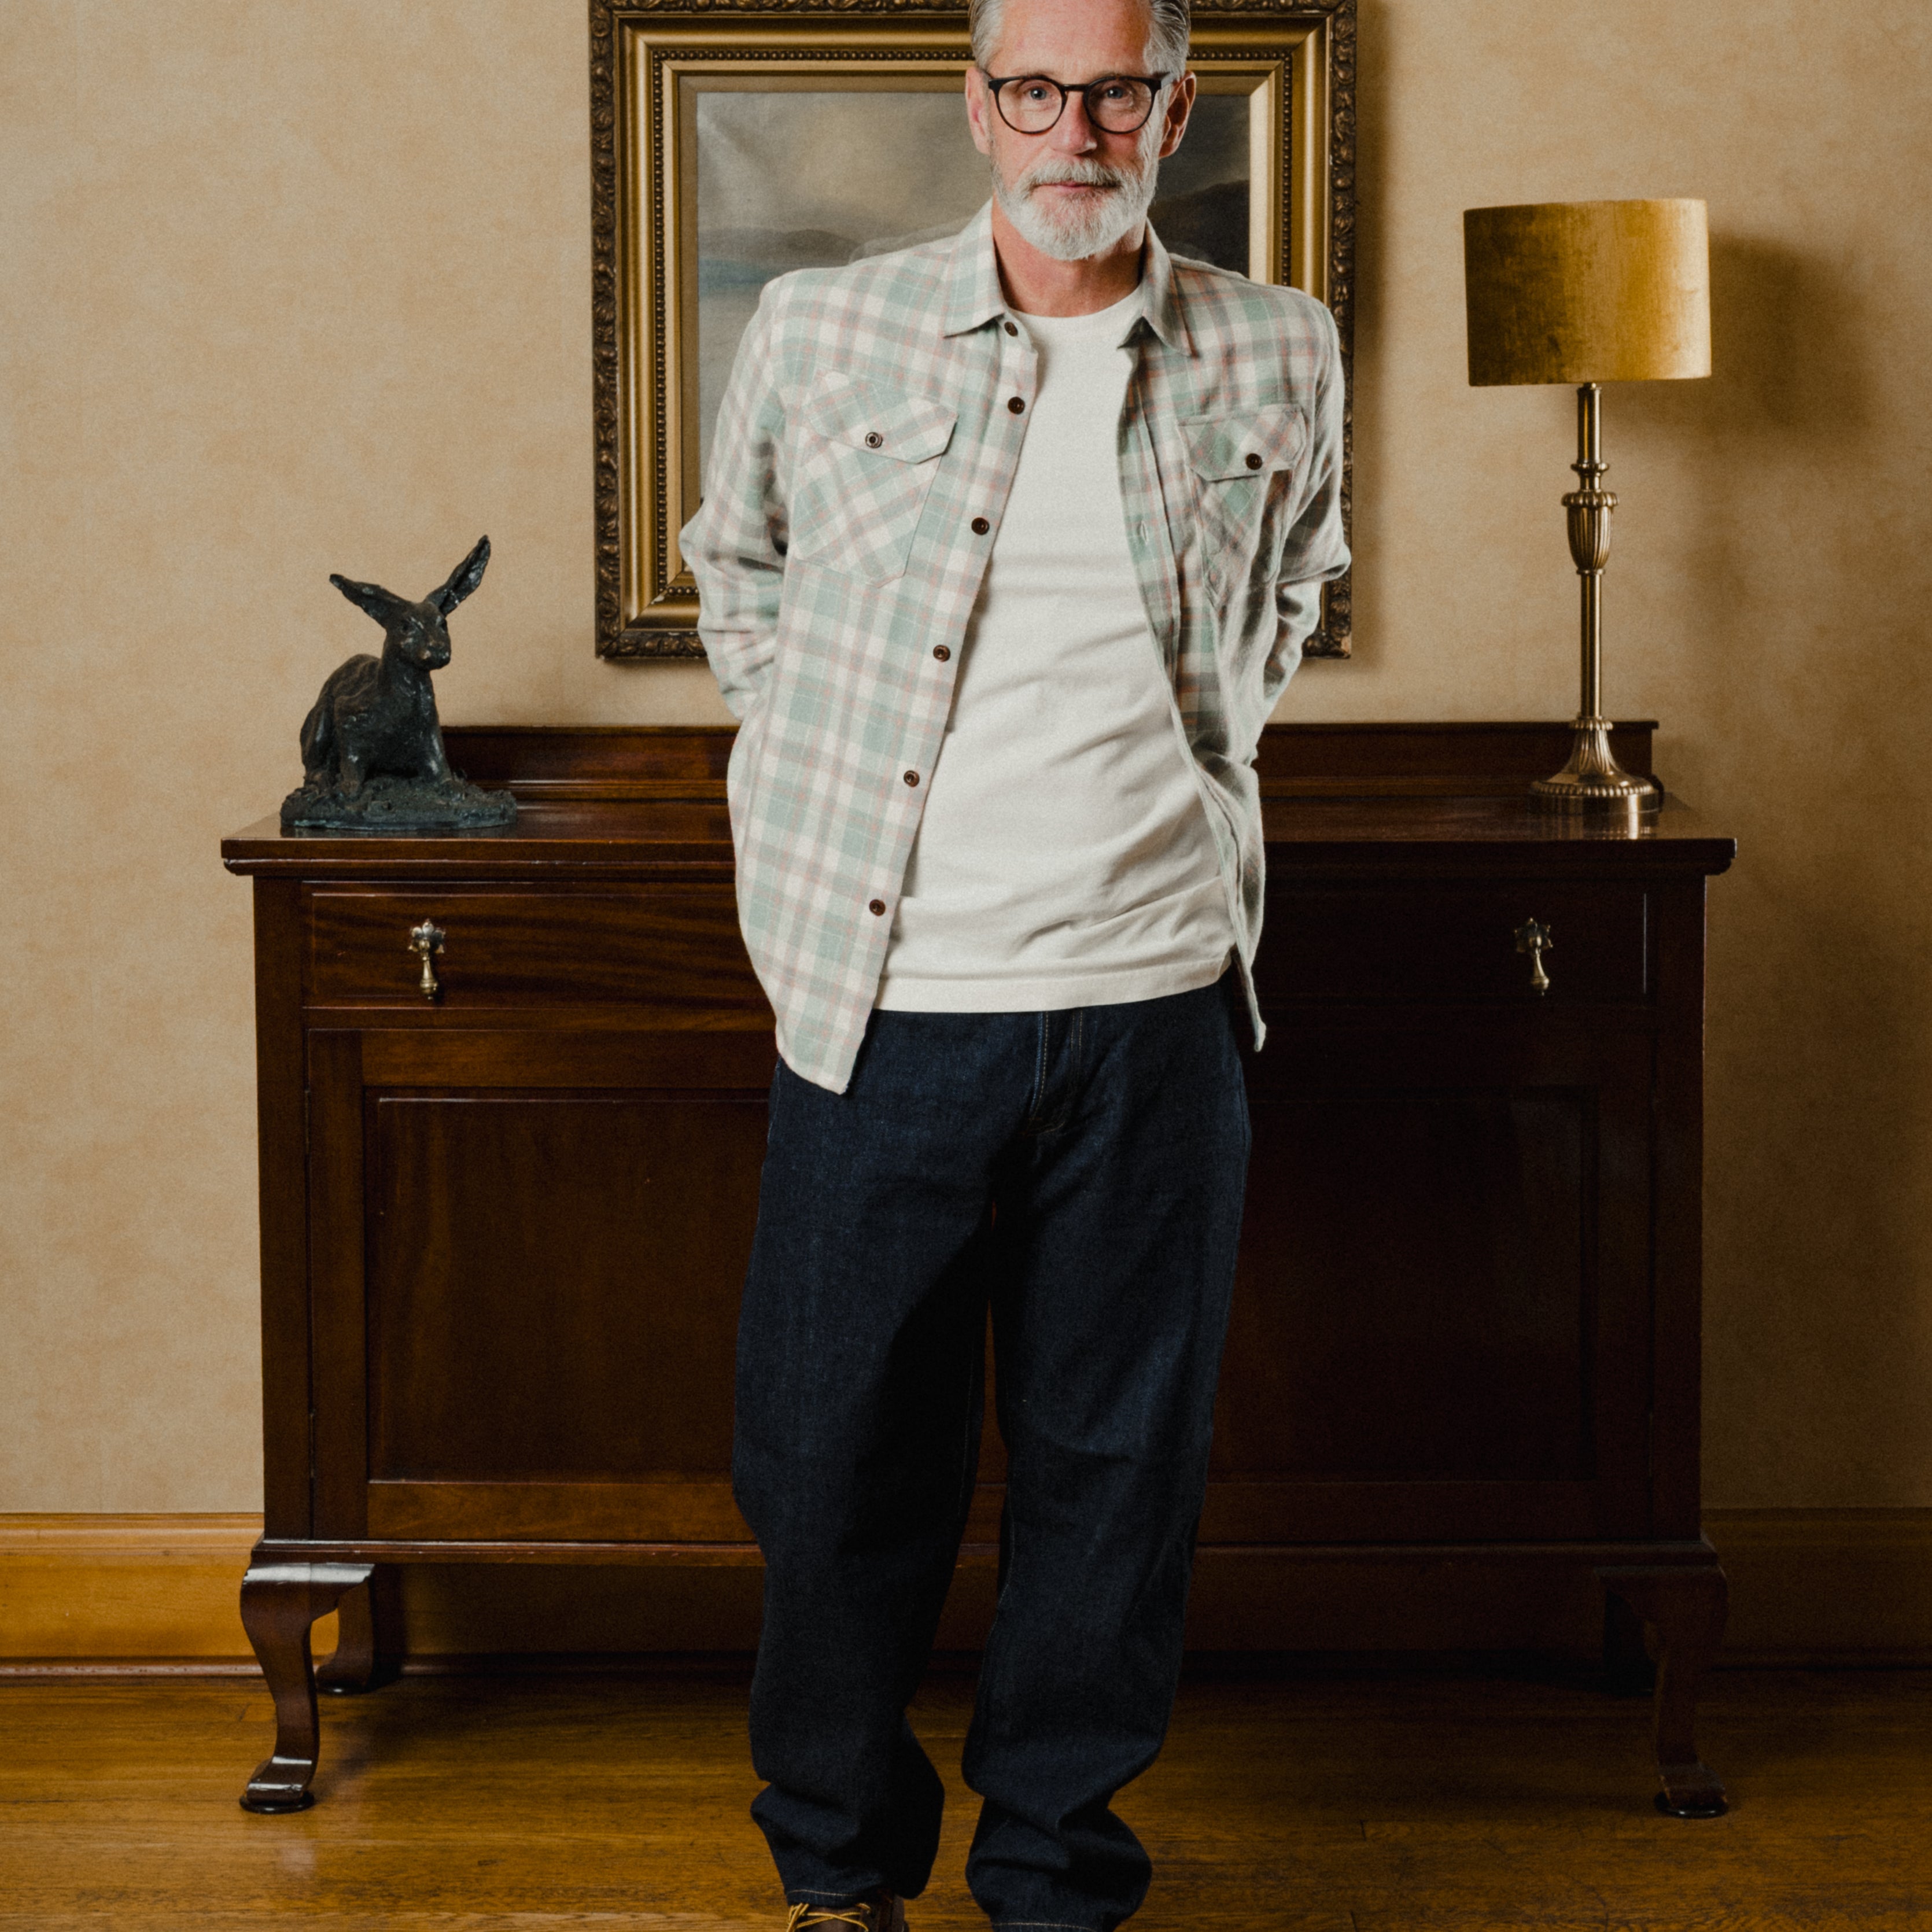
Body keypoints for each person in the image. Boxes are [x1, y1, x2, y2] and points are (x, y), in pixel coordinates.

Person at [680, 0, 1348, 1922]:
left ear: (1174, 105)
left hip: (1154, 1008)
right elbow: (745, 571)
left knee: (1112, 1477)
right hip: (880, 1007)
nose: (1077, 126)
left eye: (1116, 86)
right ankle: (836, 1868)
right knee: (825, 1471)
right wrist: (809, 744)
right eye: (1037, 89)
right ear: (975, 108)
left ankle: (1055, 1869)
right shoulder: (826, 329)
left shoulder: (1278, 346)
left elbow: (1293, 583)